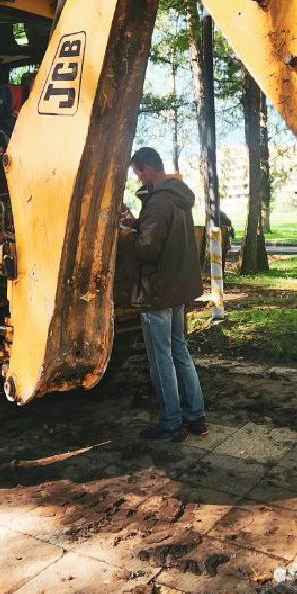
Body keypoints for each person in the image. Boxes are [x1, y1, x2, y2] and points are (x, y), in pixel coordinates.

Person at [120, 146, 207, 441]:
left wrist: (126, 237)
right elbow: (162, 234)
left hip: (157, 290)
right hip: (178, 288)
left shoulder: (158, 202)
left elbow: (148, 248)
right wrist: (139, 225)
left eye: (138, 173)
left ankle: (171, 423)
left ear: (147, 168)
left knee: (162, 358)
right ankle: (196, 416)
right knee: (180, 351)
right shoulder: (179, 197)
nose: (139, 180)